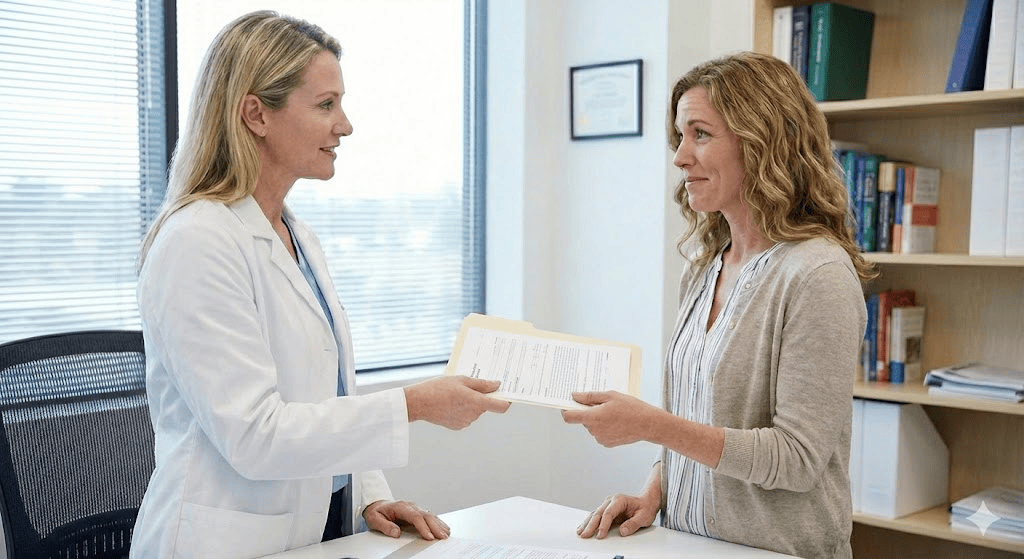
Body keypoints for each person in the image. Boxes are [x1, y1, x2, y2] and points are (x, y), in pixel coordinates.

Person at [131, 11, 509, 558]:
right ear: (256, 114)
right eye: (325, 105)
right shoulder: (197, 242)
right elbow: (257, 435)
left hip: (301, 538)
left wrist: (367, 498)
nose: (346, 125)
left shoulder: (296, 236)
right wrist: (413, 404)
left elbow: (328, 397)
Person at [562, 51, 874, 559]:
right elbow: (701, 418)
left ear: (760, 141)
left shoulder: (817, 275)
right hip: (685, 545)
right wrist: (655, 491)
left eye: (700, 134)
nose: (681, 156)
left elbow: (796, 459)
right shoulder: (705, 266)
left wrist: (651, 425)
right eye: (680, 137)